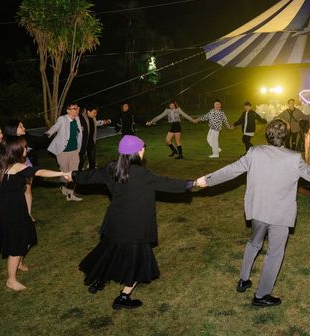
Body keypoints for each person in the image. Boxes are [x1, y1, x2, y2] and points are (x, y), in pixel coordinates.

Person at [196, 119, 310, 307]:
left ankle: (243, 280)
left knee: (254, 243)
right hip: (280, 214)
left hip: (258, 210)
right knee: (275, 254)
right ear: (285, 137)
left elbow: (232, 170)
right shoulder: (294, 158)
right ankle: (261, 295)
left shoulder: (254, 152)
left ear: (267, 136)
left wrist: (207, 180)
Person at [70, 135, 197, 309]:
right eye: (142, 148)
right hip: (135, 228)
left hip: (115, 224)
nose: (143, 151)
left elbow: (91, 175)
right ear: (137, 152)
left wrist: (73, 175)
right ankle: (123, 297)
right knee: (138, 265)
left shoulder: (112, 169)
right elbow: (165, 183)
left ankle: (99, 281)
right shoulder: (141, 174)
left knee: (111, 253)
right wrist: (191, 184)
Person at [0, 136, 68, 291]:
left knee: (28, 234)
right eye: (24, 147)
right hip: (11, 209)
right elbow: (39, 172)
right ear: (16, 150)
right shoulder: (16, 167)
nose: (26, 149)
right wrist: (61, 173)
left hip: (12, 206)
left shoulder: (1, 164)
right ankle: (11, 280)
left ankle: (19, 262)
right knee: (17, 242)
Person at [45, 101, 83, 201]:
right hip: (62, 152)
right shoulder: (62, 119)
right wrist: (47, 134)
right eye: (74, 109)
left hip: (75, 151)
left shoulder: (77, 118)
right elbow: (55, 127)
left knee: (73, 173)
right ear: (68, 111)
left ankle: (70, 194)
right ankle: (63, 185)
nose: (77, 110)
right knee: (64, 173)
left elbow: (77, 131)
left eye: (77, 108)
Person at [79, 105, 112, 170]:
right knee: (81, 161)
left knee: (92, 161)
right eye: (94, 113)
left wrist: (104, 122)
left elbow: (96, 123)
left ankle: (92, 171)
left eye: (96, 113)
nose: (95, 114)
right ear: (88, 112)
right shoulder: (81, 118)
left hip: (91, 143)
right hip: (83, 144)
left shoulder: (93, 118)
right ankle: (78, 172)